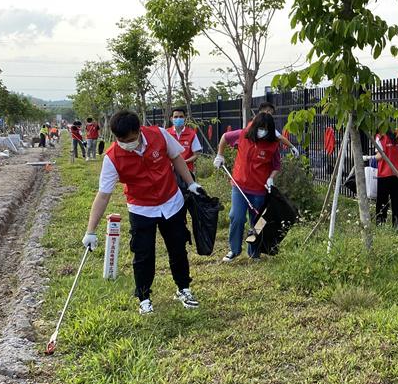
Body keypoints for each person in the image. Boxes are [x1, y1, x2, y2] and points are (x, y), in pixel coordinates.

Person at [82, 110, 203, 314]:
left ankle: (183, 288)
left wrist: (191, 184)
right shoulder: (112, 157)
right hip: (141, 208)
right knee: (143, 254)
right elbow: (103, 195)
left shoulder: (160, 135)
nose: (125, 143)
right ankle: (144, 298)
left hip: (171, 202)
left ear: (139, 131)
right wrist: (91, 231)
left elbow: (177, 158)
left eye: (129, 139)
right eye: (121, 140)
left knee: (178, 248)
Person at [214, 112, 281, 262]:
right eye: (259, 127)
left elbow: (276, 165)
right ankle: (234, 250)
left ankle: (254, 251)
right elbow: (225, 137)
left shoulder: (273, 144)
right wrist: (220, 155)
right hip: (240, 186)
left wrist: (271, 178)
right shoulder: (243, 135)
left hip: (259, 189)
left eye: (265, 128)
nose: (261, 131)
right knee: (236, 217)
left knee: (257, 222)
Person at [372, 129, 398, 228]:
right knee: (397, 202)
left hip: (384, 173)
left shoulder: (380, 136)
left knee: (382, 201)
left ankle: (380, 225)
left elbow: (380, 156)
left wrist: (370, 158)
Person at [166, 108, 202, 176]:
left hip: (187, 171)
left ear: (185, 118)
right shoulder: (166, 133)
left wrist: (184, 162)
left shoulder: (192, 134)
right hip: (169, 171)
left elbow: (196, 155)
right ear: (171, 119)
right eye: (176, 117)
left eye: (181, 117)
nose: (178, 119)